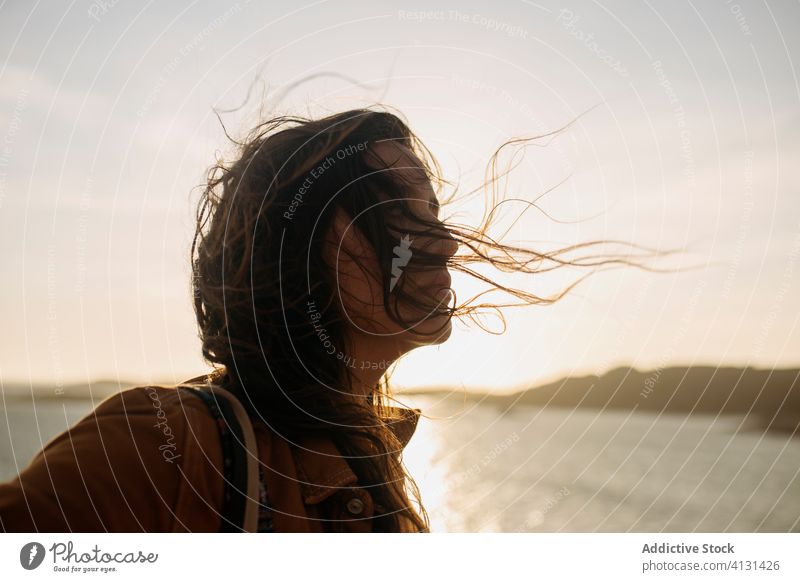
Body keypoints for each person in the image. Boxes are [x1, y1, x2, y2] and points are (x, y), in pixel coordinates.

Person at [0, 108, 640, 532]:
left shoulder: (374, 457)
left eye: (432, 209)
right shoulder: (166, 445)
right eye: (391, 210)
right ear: (291, 249)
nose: (443, 242)